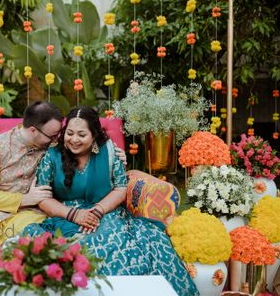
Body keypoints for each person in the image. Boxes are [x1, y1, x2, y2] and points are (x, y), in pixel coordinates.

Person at [22, 106, 199, 296]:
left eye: (82, 134)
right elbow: (43, 198)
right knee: (72, 248)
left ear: (94, 136)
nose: (73, 139)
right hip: (65, 215)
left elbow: (121, 187)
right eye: (69, 133)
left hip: (106, 211)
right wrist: (74, 214)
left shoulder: (109, 151)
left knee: (116, 240)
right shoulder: (52, 155)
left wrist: (97, 211)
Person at [0, 101, 127, 278]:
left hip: (30, 215)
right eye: (53, 135)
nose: (59, 138)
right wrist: (24, 199)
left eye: (59, 134)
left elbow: (94, 149)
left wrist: (115, 155)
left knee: (27, 242)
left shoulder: (53, 147)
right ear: (33, 130)